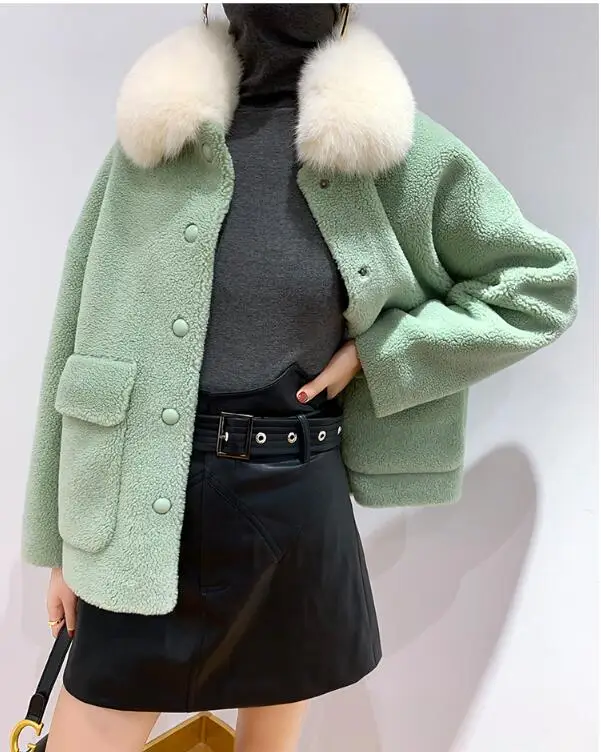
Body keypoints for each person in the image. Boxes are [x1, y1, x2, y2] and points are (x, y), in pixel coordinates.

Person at [21, 4, 578, 752]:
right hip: (144, 504)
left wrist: (383, 353)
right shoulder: (158, 140)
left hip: (294, 501)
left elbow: (539, 286)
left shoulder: (390, 149)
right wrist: (62, 545)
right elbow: (76, 340)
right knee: (89, 728)